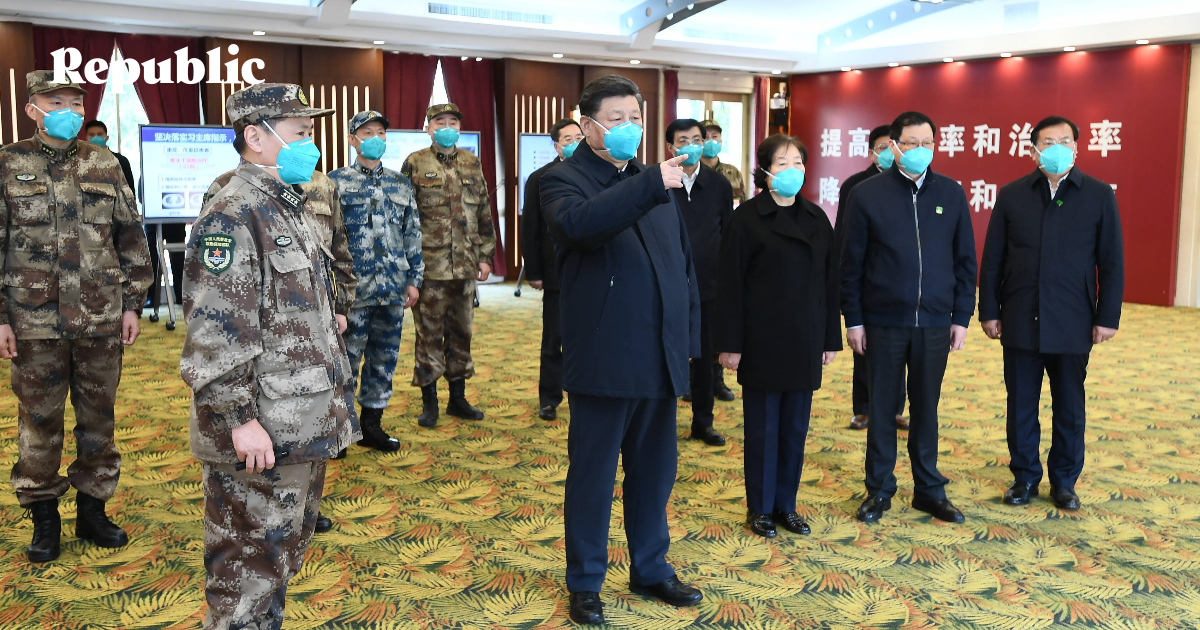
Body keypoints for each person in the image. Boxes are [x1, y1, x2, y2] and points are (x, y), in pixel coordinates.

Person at [180, 82, 359, 630]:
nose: (311, 143)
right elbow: (215, 331)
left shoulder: (287, 205)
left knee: (274, 563)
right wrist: (240, 420)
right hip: (260, 430)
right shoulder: (233, 213)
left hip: (297, 421)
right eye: (299, 132)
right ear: (255, 137)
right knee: (246, 577)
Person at [541, 75, 703, 625]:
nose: (629, 127)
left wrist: (688, 341)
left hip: (660, 354)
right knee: (593, 477)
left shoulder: (653, 181)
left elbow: (682, 267)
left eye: (635, 117)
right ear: (587, 125)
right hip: (605, 355)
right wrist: (653, 182)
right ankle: (586, 580)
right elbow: (580, 227)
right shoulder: (563, 180)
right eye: (616, 118)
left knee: (655, 474)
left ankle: (651, 568)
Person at [0, 71, 152, 563]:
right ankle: (43, 517)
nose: (68, 111)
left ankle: (93, 511)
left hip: (100, 316)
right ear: (32, 109)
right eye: (56, 102)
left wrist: (133, 303)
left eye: (75, 102)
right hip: (33, 320)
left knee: (98, 419)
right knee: (39, 422)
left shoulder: (104, 163)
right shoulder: (7, 162)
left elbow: (130, 236)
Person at [978, 115, 1124, 511]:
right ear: (1033, 151)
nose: (1057, 147)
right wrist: (989, 309)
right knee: (1021, 404)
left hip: (1074, 319)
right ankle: (1024, 477)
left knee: (1070, 407)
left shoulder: (1098, 195)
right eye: (1048, 141)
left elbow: (1111, 262)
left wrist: (1107, 316)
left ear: (1076, 148)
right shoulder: (1012, 195)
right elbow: (993, 259)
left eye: (1065, 140)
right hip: (1020, 315)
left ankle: (1064, 482)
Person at [841, 111, 977, 524]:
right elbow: (851, 264)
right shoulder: (867, 194)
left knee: (926, 408)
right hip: (883, 321)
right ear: (894, 147)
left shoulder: (951, 193)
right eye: (912, 143)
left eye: (927, 143)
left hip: (935, 322)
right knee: (882, 408)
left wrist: (961, 316)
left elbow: (965, 261)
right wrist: (854, 320)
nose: (921, 150)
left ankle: (929, 490)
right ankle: (879, 490)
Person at [716, 134, 841, 539]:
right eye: (782, 163)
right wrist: (730, 343)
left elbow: (830, 283)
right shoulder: (746, 219)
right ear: (765, 171)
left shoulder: (816, 218)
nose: (792, 170)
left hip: (804, 339)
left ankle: (786, 505)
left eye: (798, 162)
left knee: (794, 430)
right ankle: (760, 507)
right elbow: (729, 286)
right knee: (763, 430)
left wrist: (830, 338)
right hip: (761, 339)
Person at [329, 110, 424, 449]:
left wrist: (414, 278)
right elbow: (327, 239)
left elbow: (412, 232)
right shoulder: (334, 183)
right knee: (346, 362)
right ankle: (341, 432)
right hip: (353, 292)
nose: (375, 138)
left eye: (381, 133)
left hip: (393, 288)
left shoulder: (400, 183)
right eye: (367, 132)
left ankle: (372, 426)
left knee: (384, 360)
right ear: (352, 139)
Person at [402, 103, 496, 427]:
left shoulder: (472, 162)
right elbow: (406, 217)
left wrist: (486, 255)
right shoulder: (415, 163)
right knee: (428, 336)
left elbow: (483, 210)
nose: (446, 127)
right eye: (439, 121)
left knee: (461, 333)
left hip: (465, 265)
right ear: (428, 128)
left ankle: (458, 398)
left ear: (459, 128)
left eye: (452, 122)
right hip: (430, 267)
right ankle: (429, 402)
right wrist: (409, 267)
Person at [834, 125, 910, 432]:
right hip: (866, 281)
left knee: (901, 351)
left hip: (899, 282)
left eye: (892, 146)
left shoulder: (908, 184)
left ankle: (895, 410)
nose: (888, 152)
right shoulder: (856, 186)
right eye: (881, 147)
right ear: (871, 152)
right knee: (865, 350)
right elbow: (843, 235)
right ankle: (863, 409)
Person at [665, 117, 732, 446]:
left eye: (696, 140)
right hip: (667, 286)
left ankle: (702, 422)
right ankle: (660, 425)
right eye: (683, 140)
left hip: (708, 285)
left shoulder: (719, 185)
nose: (691, 146)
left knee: (705, 358)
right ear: (670, 147)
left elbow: (728, 234)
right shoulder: (659, 183)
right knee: (666, 356)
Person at [520, 117, 582, 421]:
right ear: (556, 146)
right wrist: (533, 271)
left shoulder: (598, 173)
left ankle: (586, 395)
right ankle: (549, 398)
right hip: (556, 271)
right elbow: (530, 227)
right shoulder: (540, 178)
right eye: (568, 139)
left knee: (590, 339)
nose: (575, 143)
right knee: (554, 341)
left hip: (592, 270)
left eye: (579, 137)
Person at [697, 119, 740, 404]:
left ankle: (717, 379)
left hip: (724, 254)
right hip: (698, 257)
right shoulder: (684, 172)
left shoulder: (731, 174)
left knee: (717, 326)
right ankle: (694, 379)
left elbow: (740, 208)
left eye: (716, 136)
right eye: (707, 136)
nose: (713, 141)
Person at [84, 120, 135, 191]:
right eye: (92, 135)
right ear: (86, 138)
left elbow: (130, 191)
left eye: (99, 134)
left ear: (106, 137)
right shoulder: (79, 161)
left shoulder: (120, 161)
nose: (96, 137)